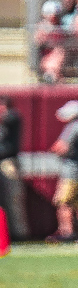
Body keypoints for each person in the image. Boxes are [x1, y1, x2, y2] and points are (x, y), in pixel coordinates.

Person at [47, 100, 78, 243]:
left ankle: (67, 232)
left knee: (64, 202)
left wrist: (55, 151)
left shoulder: (73, 127)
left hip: (72, 173)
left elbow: (62, 147)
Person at [0, 97, 28, 241]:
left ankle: (19, 234)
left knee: (13, 198)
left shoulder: (12, 117)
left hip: (7, 162)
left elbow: (10, 118)